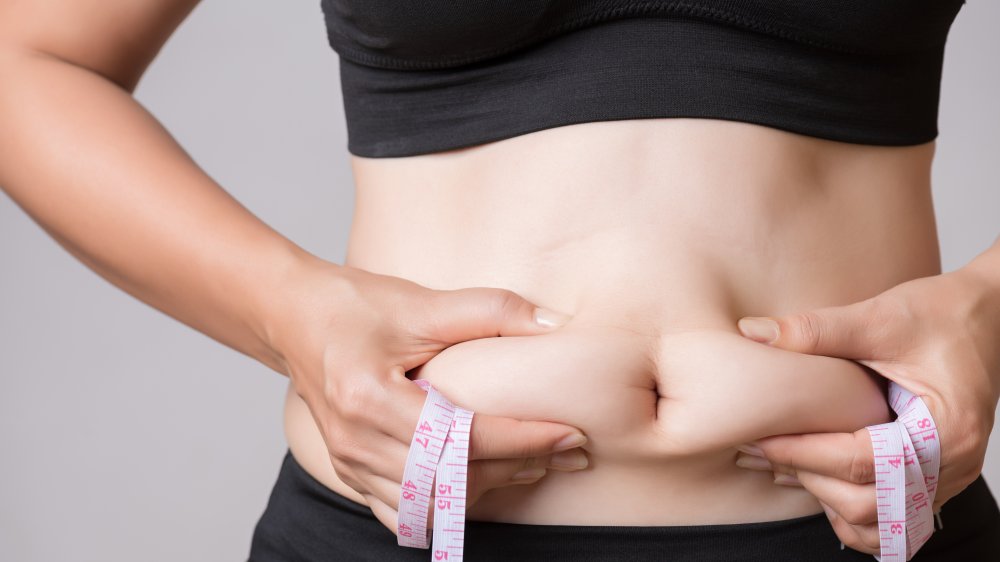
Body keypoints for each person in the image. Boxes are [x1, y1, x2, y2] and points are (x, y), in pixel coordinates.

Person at [1, 1, 997, 561]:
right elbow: (27, 58)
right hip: (407, 534)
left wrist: (987, 312)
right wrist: (291, 313)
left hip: (865, 532)